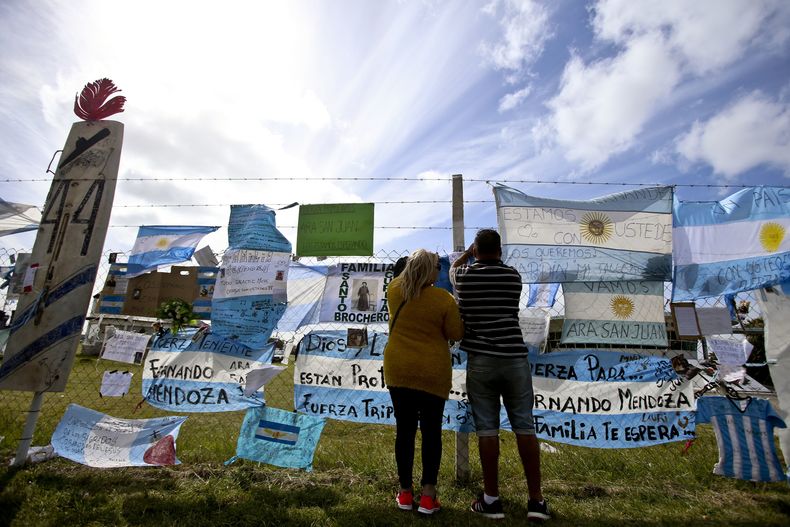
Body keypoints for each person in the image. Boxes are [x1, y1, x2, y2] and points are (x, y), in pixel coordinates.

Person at [451, 229, 549, 521]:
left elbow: (454, 267)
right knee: (524, 426)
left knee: (487, 429)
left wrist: (467, 254)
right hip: (514, 358)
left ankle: (491, 499)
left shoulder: (465, 277)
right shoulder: (513, 277)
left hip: (481, 359)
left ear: (476, 250)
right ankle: (536, 501)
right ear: (500, 251)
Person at [383, 249, 464, 515]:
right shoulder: (444, 300)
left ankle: (405, 493)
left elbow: (404, 280)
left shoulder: (394, 291)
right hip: (432, 372)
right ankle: (428, 496)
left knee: (404, 431)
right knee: (431, 433)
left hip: (399, 369)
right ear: (430, 271)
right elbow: (455, 333)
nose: (440, 271)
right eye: (437, 267)